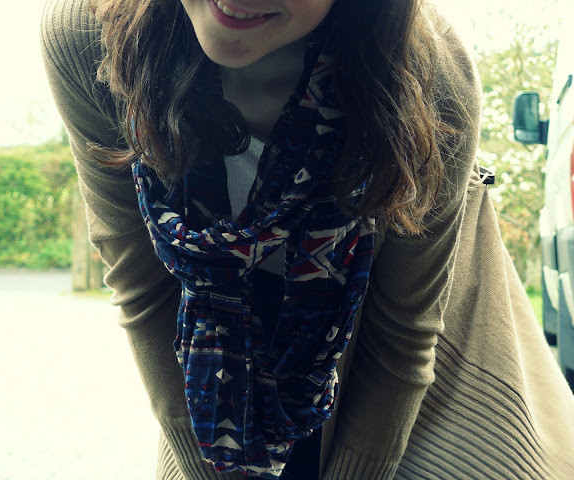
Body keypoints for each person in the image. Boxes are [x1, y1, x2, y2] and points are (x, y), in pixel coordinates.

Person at [41, 0, 574, 478]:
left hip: (405, 359)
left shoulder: (432, 80)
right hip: (219, 350)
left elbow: (403, 334)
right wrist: (207, 470)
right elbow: (143, 288)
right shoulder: (89, 36)